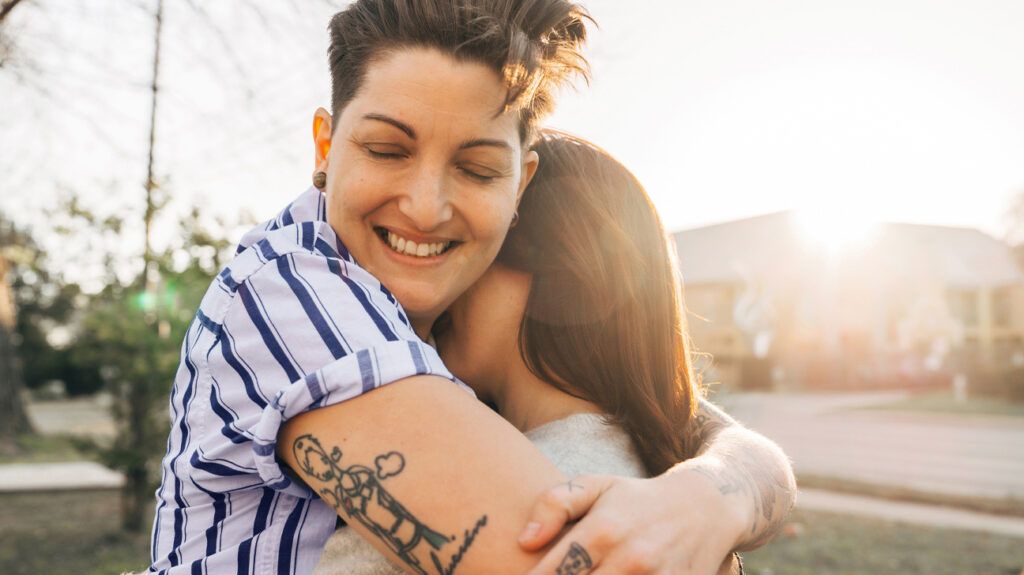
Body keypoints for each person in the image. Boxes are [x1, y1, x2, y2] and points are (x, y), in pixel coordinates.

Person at [149, 1, 795, 574]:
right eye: (386, 149)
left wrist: (715, 488)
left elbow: (679, 413)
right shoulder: (296, 293)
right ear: (324, 144)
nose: (426, 207)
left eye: (477, 168)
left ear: (521, 184)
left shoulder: (402, 312)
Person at [315, 131, 745, 575]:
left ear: (560, 273)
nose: (438, 288)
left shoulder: (517, 494)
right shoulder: (648, 457)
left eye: (461, 250)